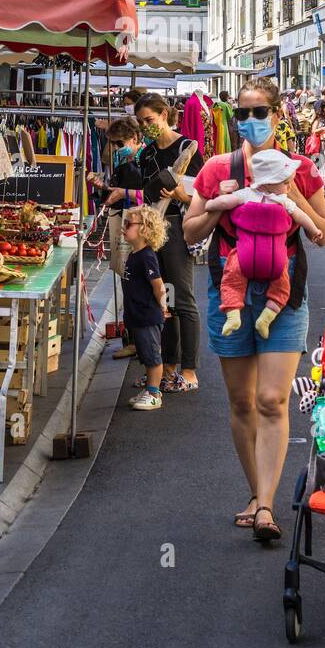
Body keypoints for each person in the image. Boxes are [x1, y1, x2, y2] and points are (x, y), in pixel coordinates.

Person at [184, 77, 325, 541]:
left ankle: (265, 505)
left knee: (273, 399)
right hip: (228, 292)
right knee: (242, 401)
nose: (249, 121)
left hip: (283, 294)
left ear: (276, 115)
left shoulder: (301, 168)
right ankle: (256, 491)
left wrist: (292, 194)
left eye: (259, 112)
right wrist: (219, 203)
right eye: (242, 113)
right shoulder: (215, 168)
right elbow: (189, 232)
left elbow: (324, 233)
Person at [205, 150, 323, 340]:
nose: (289, 187)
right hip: (276, 257)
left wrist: (212, 204)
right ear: (268, 182)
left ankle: (251, 316)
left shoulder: (247, 195)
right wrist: (212, 204)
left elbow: (226, 202)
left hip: (243, 255)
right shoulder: (281, 201)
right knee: (280, 285)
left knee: (232, 279)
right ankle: (246, 315)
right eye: (286, 183)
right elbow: (299, 216)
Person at [135, 92, 203, 392]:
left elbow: (201, 199)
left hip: (177, 227)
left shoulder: (187, 149)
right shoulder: (146, 154)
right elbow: (142, 193)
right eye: (141, 122)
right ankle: (170, 366)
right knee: (166, 298)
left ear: (164, 114)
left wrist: (179, 196)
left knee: (183, 298)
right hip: (153, 228)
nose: (146, 126)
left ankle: (189, 370)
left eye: (149, 119)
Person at [88, 116, 145, 360]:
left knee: (135, 285)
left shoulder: (144, 160)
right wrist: (102, 186)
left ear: (134, 139)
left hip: (138, 229)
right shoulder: (125, 162)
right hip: (122, 224)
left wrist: (122, 193)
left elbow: (147, 195)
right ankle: (132, 338)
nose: (115, 148)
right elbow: (116, 191)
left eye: (119, 142)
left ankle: (139, 342)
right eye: (112, 144)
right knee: (126, 282)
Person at [120, 206, 171, 411]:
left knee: (152, 356)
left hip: (147, 315)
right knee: (144, 353)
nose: (124, 228)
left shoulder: (147, 256)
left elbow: (158, 285)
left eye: (128, 224)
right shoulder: (134, 254)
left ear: (144, 229)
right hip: (136, 314)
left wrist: (163, 306)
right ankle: (149, 388)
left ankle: (153, 393)